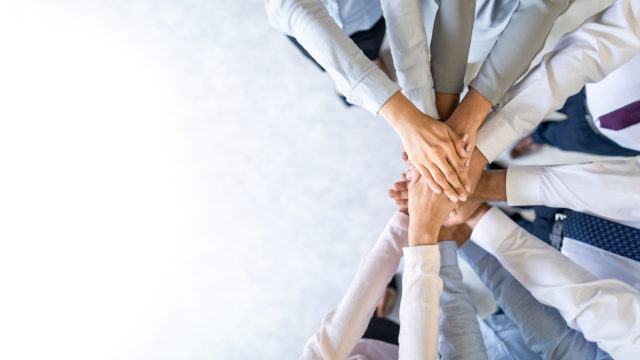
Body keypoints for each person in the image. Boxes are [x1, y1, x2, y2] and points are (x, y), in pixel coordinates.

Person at [266, 0, 472, 203]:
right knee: (326, 57)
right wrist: (412, 123)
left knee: (367, 50)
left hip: (365, 15)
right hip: (305, 23)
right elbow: (296, 11)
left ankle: (367, 69)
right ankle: (347, 84)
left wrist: (420, 119)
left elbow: (400, 10)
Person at [299, 170, 489, 359]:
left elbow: (342, 324)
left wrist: (405, 218)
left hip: (370, 347)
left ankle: (380, 311)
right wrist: (424, 230)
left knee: (371, 322)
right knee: (450, 302)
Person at [474, 0, 640, 164]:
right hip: (602, 79)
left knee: (565, 138)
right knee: (551, 94)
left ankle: (538, 138)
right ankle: (532, 129)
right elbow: (615, 33)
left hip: (618, 139)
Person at [511, 55, 640, 158]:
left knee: (559, 136)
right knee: (542, 99)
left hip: (602, 135)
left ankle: (537, 137)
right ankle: (524, 114)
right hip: (593, 90)